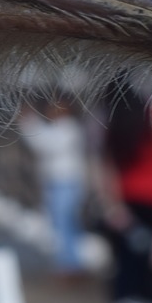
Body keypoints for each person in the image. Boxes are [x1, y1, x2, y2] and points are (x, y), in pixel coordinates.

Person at [94, 79, 152, 303]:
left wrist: (113, 205)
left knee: (129, 266)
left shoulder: (111, 120)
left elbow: (108, 167)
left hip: (129, 202)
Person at [18, 96, 88, 275]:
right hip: (58, 183)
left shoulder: (68, 127)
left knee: (64, 225)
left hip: (65, 183)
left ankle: (70, 266)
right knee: (63, 225)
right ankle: (69, 264)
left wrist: (29, 123)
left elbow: (45, 144)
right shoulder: (59, 127)